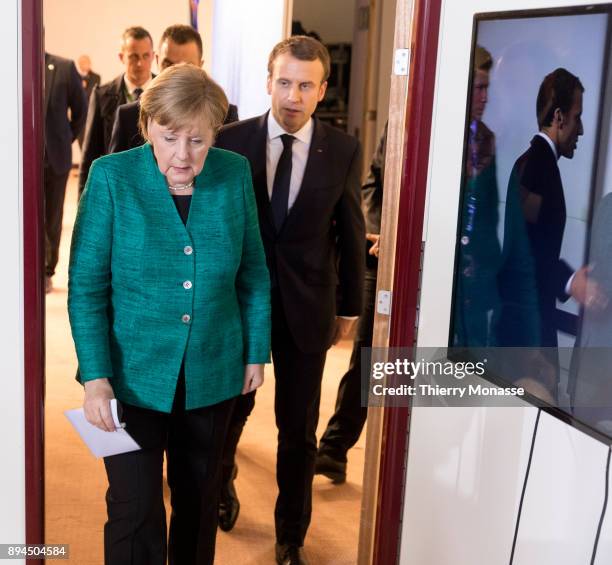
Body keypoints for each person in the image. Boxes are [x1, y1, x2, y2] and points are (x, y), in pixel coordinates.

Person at [68, 63, 271, 565]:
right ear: (148, 127)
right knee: (133, 508)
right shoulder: (111, 177)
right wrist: (95, 378)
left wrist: (255, 352)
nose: (183, 155)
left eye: (197, 141)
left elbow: (253, 273)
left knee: (200, 502)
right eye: (170, 137)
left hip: (213, 369)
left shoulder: (234, 171)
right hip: (129, 377)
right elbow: (86, 287)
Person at [216, 35, 364, 564]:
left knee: (297, 430)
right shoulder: (230, 141)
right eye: (284, 82)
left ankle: (290, 537)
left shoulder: (342, 149)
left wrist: (350, 308)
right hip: (240, 305)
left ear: (322, 90)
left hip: (307, 307)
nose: (292, 96)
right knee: (230, 411)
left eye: (305, 85)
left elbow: (349, 231)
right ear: (268, 80)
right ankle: (222, 485)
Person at [497, 68, 598, 396]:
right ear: (559, 116)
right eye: (577, 116)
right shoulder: (539, 169)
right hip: (528, 334)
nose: (581, 129)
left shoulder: (531, 162)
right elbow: (528, 252)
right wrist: (572, 281)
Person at [315, 122, 386, 484]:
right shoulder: (403, 122)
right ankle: (334, 448)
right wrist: (378, 230)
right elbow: (375, 182)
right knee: (368, 355)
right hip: (381, 253)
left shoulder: (482, 141)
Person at [109, 24, 239, 154]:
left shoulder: (225, 115)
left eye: (186, 66)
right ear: (158, 61)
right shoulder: (128, 117)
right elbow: (113, 172)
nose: (176, 74)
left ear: (200, 65)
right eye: (168, 65)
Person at [453, 45, 502, 347]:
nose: (485, 98)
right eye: (479, 88)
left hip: (476, 273)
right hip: (438, 263)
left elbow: (489, 213)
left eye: (488, 88)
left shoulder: (487, 138)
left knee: (471, 358)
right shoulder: (432, 131)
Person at [78, 26, 154, 195]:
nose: (140, 63)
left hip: (157, 192)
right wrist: (84, 204)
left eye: (145, 56)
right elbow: (90, 154)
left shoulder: (167, 93)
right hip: (116, 190)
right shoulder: (101, 96)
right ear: (121, 57)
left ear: (153, 56)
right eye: (133, 56)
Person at [44, 52, 87, 293]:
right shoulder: (14, 64)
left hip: (55, 158)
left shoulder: (63, 67)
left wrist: (65, 138)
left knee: (52, 217)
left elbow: (81, 110)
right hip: (21, 159)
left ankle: (47, 270)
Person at [76, 54, 101, 148]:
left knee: (92, 139)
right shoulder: (75, 77)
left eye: (85, 62)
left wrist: (82, 87)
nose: (83, 65)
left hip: (91, 112)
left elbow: (92, 92)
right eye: (81, 63)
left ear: (89, 64)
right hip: (79, 113)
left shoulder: (96, 77)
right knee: (81, 139)